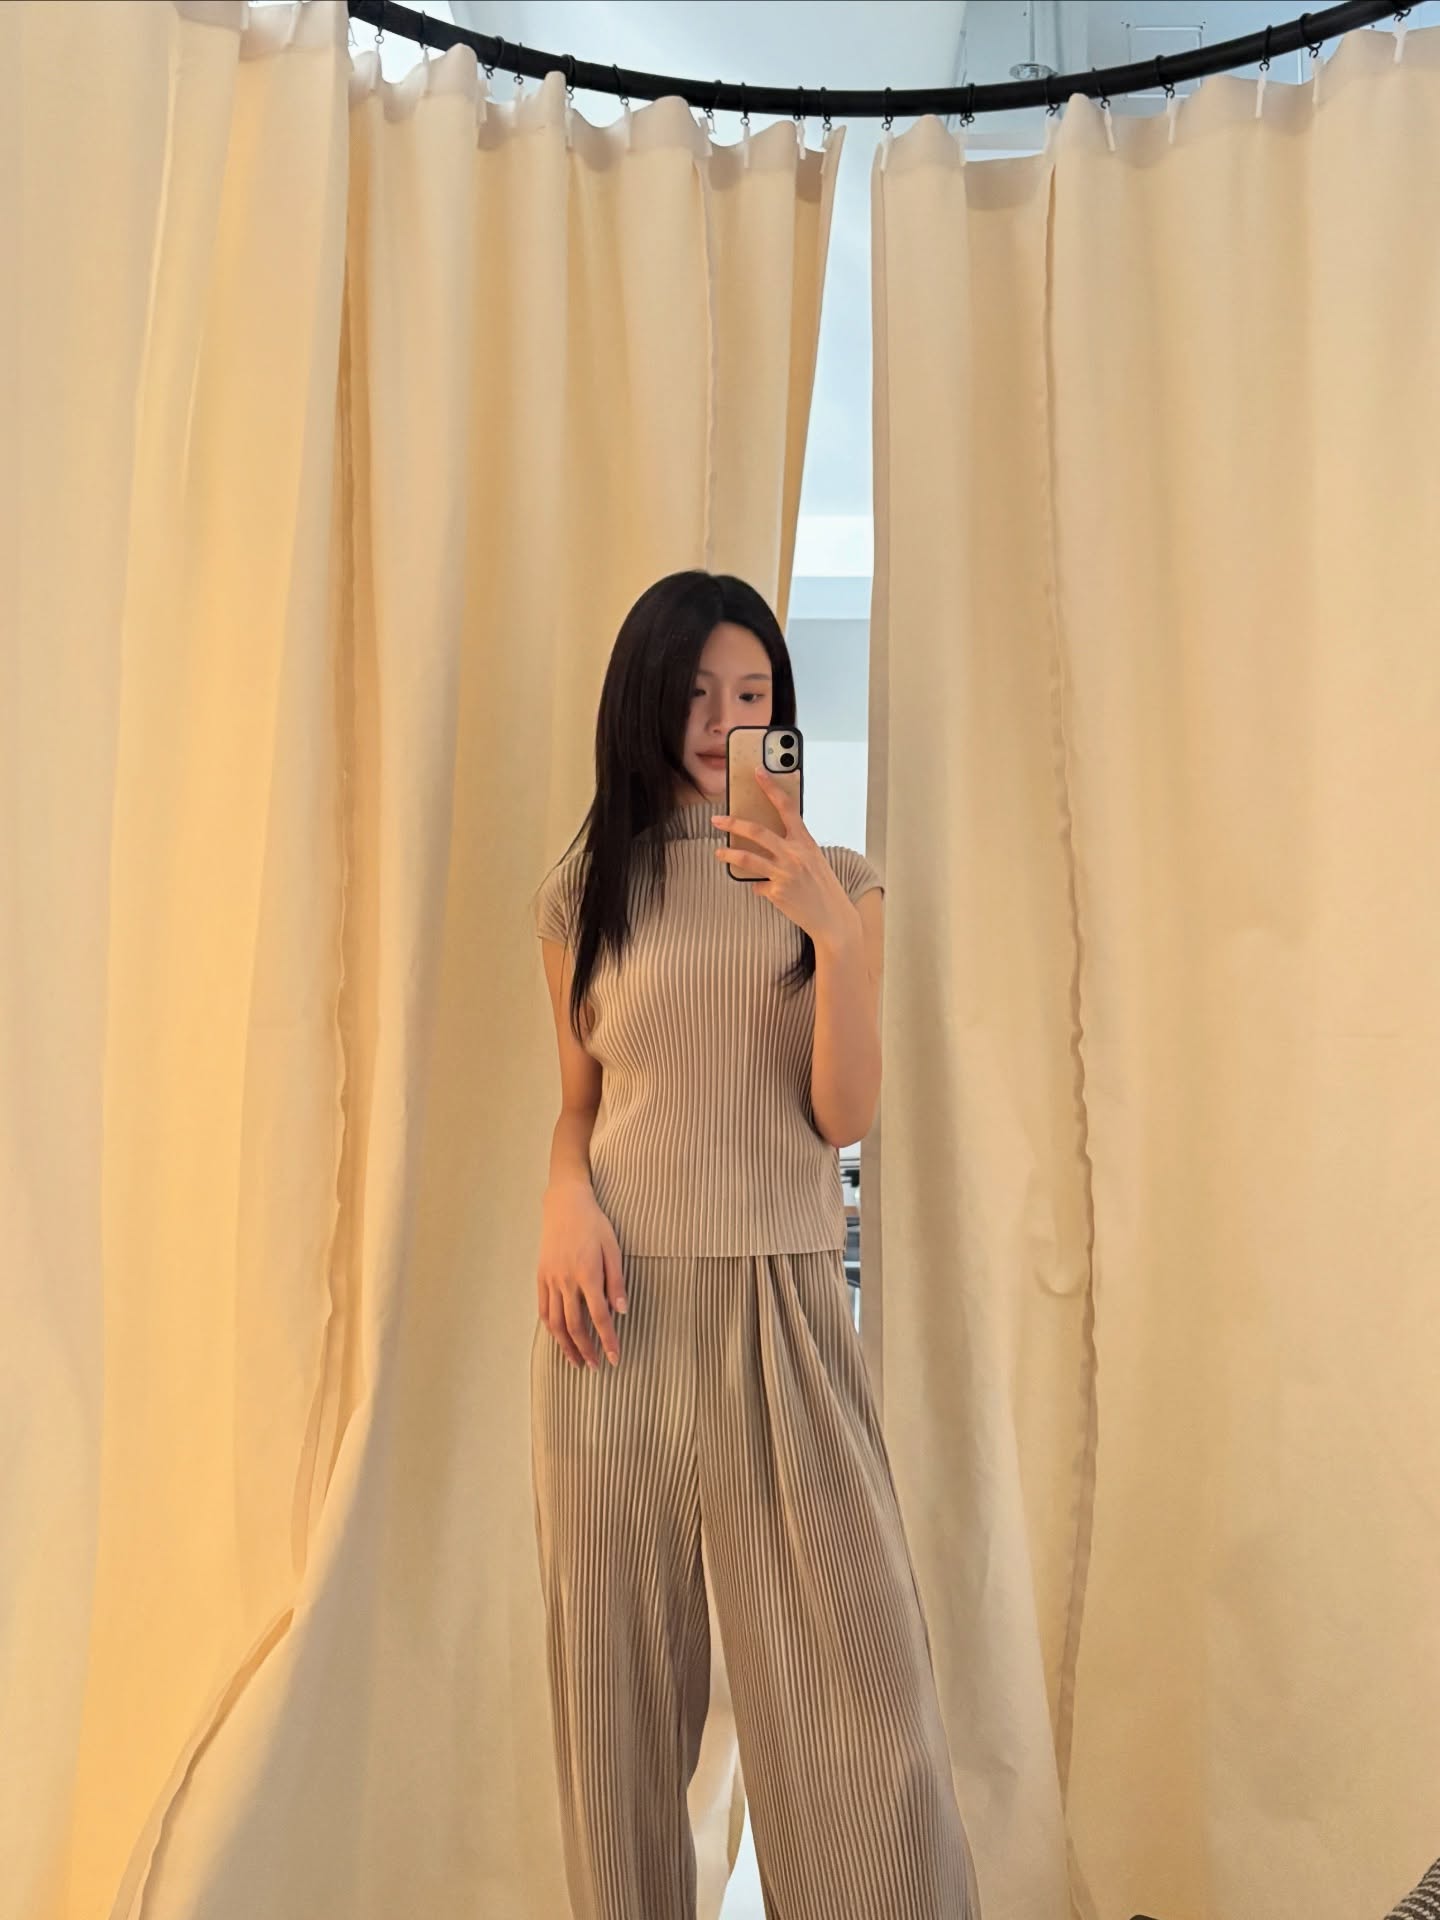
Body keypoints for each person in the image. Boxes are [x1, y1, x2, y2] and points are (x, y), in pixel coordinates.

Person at [529, 570, 981, 1920]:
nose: (726, 722)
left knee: (861, 1714)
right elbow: (579, 1106)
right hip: (612, 1324)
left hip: (784, 1312)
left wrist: (829, 928)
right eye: (697, 695)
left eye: (753, 695)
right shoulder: (584, 895)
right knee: (615, 1714)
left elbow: (843, 1115)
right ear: (645, 704)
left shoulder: (840, 887)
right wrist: (563, 1198)